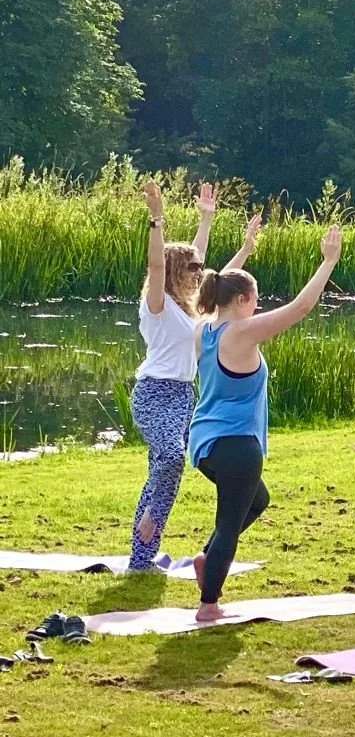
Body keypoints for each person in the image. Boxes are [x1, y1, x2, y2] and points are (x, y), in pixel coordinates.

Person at [184, 225, 344, 622]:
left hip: (205, 444)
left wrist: (245, 250)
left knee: (257, 501)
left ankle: (207, 558)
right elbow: (299, 309)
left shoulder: (203, 329)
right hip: (237, 445)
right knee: (230, 520)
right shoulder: (241, 333)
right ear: (242, 300)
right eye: (254, 300)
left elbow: (215, 285)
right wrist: (328, 262)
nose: (257, 307)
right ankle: (209, 604)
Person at [130, 180, 260, 571]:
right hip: (154, 393)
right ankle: (150, 518)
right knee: (170, 457)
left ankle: (141, 557)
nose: (199, 273)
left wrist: (210, 219)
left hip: (184, 396)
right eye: (191, 269)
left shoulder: (193, 311)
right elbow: (156, 264)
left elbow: (215, 275)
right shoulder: (156, 304)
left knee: (165, 468)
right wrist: (157, 218)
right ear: (173, 272)